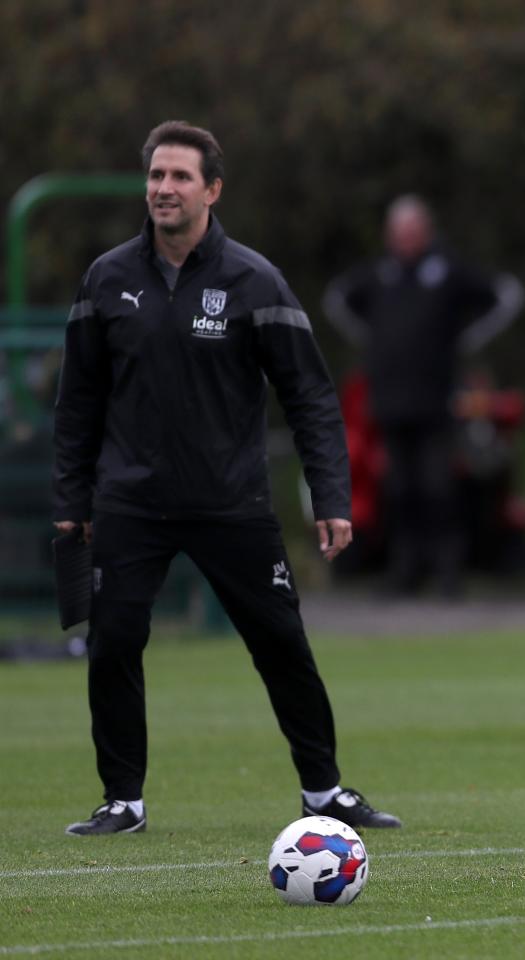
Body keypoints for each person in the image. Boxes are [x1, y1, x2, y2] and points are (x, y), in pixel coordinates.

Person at [52, 121, 401, 836]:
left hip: (230, 503)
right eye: (155, 176)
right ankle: (124, 800)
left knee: (281, 644)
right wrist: (72, 498)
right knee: (113, 642)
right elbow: (77, 400)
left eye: (180, 177)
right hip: (131, 502)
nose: (164, 189)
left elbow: (309, 394)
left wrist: (330, 495)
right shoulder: (106, 279)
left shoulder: (255, 280)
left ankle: (323, 792)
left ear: (212, 189)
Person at [323, 195, 523, 595]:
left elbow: (506, 294)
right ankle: (405, 571)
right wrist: (376, 344)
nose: (407, 239)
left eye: (413, 231)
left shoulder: (447, 270)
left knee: (438, 485)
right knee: (398, 488)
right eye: (400, 232)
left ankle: (448, 571)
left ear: (426, 232)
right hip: (391, 400)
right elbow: (337, 299)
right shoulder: (380, 274)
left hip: (436, 400)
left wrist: (462, 342)